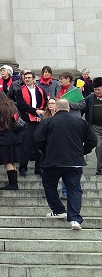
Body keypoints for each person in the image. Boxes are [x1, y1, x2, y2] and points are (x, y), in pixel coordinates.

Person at [34, 98, 97, 229]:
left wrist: (45, 151)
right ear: (69, 108)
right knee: (74, 189)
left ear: (55, 109)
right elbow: (92, 140)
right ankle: (74, 219)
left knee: (49, 185)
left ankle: (58, 210)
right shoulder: (80, 122)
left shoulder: (48, 121)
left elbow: (38, 139)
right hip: (74, 161)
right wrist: (83, 151)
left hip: (52, 161)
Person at [83, 77, 102, 175]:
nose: (96, 92)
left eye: (98, 89)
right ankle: (100, 168)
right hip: (95, 127)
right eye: (95, 90)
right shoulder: (90, 98)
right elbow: (81, 107)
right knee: (99, 146)